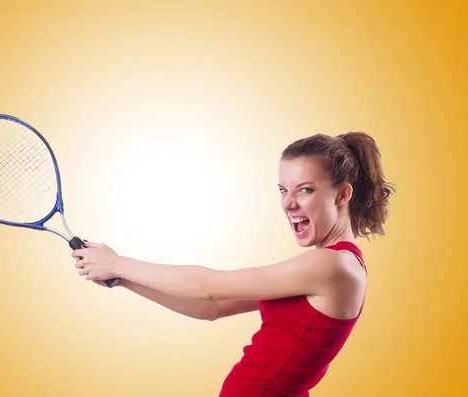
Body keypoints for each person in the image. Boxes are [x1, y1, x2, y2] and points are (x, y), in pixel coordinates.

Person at [71, 131, 395, 396]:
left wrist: (118, 263)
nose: (287, 203)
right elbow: (211, 308)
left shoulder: (331, 266)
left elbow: (207, 287)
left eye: (305, 190)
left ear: (342, 196)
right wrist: (122, 279)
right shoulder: (323, 269)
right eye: (283, 190)